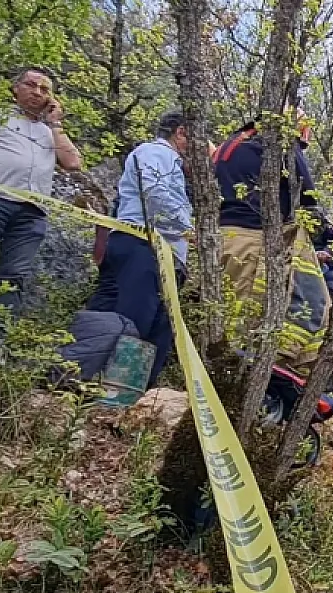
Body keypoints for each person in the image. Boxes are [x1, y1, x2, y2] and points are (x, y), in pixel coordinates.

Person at [0, 67, 83, 323]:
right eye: (31, 85)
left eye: (45, 89)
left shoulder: (51, 131)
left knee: (14, 275)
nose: (37, 92)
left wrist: (55, 123)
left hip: (31, 211)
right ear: (15, 89)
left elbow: (73, 162)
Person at [84, 111, 192, 388]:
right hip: (143, 244)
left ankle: (120, 391)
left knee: (152, 325)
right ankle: (110, 392)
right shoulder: (156, 152)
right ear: (181, 132)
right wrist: (188, 227)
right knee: (136, 321)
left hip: (154, 248)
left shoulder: (173, 163)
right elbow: (154, 192)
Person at [214, 119, 330, 371]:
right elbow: (309, 199)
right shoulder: (280, 143)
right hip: (254, 241)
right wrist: (327, 235)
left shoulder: (228, 146)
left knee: (228, 312)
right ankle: (262, 371)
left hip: (222, 238)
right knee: (251, 316)